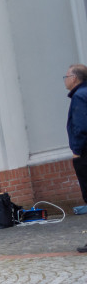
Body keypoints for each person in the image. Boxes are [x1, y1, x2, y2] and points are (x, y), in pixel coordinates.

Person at [64, 64, 87, 227]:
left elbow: (80, 127)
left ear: (74, 78)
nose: (65, 81)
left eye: (66, 77)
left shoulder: (79, 96)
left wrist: (77, 151)